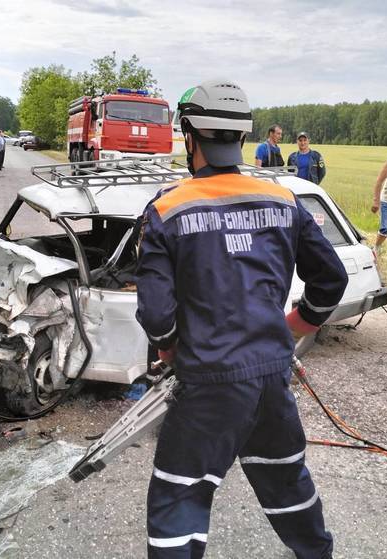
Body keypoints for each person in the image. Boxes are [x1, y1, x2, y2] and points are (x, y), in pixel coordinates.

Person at [135, 79, 348, 559]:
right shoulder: (284, 201)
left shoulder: (167, 208)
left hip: (208, 383)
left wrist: (171, 351)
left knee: (180, 496)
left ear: (189, 136)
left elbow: (155, 312)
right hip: (272, 376)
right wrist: (294, 328)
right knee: (288, 479)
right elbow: (331, 279)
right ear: (242, 137)